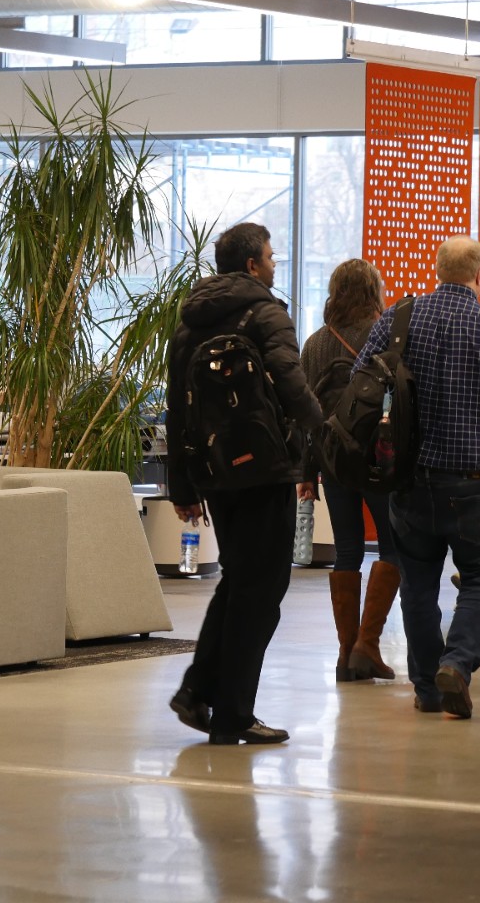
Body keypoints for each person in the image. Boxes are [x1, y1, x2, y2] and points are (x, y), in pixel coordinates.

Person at [356, 235, 480, 718]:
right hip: (475, 482)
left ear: (438, 271)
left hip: (410, 480)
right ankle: (457, 664)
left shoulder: (400, 320)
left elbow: (360, 383)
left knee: (417, 584)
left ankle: (425, 687)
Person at [165, 222, 321, 745]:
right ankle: (232, 713)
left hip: (214, 472)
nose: (276, 265)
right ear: (253, 265)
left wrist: (183, 487)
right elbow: (290, 377)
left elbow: (176, 409)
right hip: (264, 468)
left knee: (238, 580)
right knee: (261, 590)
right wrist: (321, 427)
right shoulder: (266, 312)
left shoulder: (189, 320)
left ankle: (197, 691)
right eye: (272, 257)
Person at [299, 258, 402, 683]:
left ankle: (346, 654)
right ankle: (367, 645)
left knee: (347, 551)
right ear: (373, 291)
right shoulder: (387, 335)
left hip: (332, 459)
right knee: (394, 547)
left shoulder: (316, 343)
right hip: (379, 459)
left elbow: (304, 415)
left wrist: (305, 473)